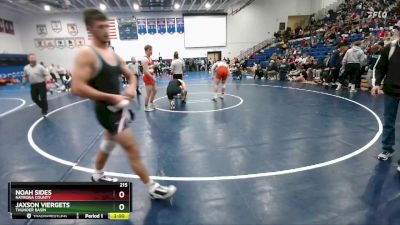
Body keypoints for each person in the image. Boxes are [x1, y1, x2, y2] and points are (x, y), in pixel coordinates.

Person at [71, 9, 176, 199]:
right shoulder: (87, 54)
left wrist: (130, 87)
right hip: (107, 111)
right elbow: (77, 87)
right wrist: (111, 97)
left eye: (106, 26)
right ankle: (152, 188)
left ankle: (97, 174)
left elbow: (130, 75)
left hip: (116, 108)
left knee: (108, 144)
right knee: (133, 149)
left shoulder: (112, 54)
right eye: (100, 27)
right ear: (90, 29)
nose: (105, 30)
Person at [372, 32, 400, 173]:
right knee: (388, 121)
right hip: (390, 91)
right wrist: (377, 83)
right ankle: (387, 149)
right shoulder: (390, 48)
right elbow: (380, 67)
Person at [142, 45, 157, 112]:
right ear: (147, 50)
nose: (151, 51)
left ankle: (151, 103)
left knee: (155, 91)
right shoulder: (144, 59)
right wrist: (152, 78)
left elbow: (149, 67)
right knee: (148, 93)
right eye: (150, 50)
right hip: (148, 77)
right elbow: (145, 71)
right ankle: (146, 107)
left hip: (151, 76)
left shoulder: (150, 58)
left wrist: (154, 65)